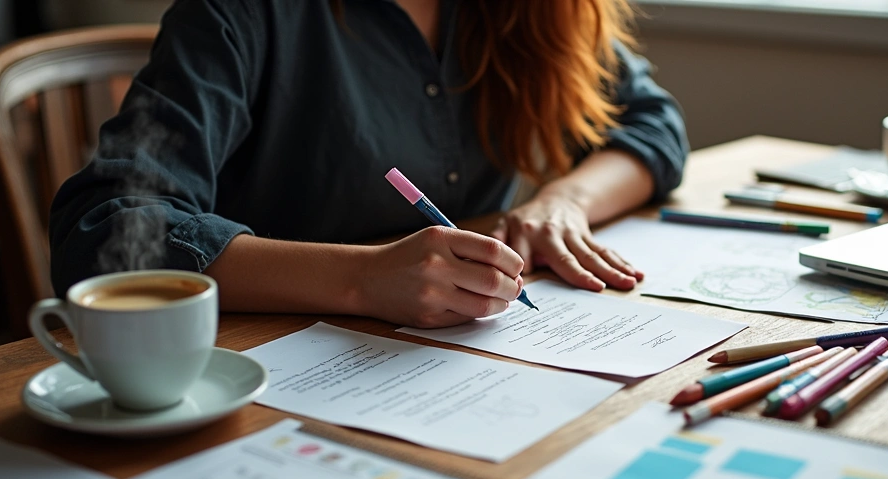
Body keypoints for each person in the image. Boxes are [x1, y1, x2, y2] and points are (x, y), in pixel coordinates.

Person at [50, 0, 688, 327]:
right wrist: (360, 279)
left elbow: (653, 125)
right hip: (273, 368)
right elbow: (108, 229)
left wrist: (563, 200)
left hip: (457, 360)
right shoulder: (238, 12)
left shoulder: (535, 10)